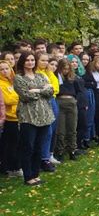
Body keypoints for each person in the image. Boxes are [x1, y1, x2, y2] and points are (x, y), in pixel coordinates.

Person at [14, 51, 56, 186]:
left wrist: (36, 90)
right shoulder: (19, 78)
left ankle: (36, 174)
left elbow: (51, 92)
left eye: (32, 60)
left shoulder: (40, 75)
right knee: (28, 147)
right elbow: (26, 96)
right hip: (28, 117)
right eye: (27, 60)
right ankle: (28, 176)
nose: (30, 62)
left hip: (44, 116)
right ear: (22, 62)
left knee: (39, 146)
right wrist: (42, 90)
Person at [55, 59, 82, 160]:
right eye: (64, 69)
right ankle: (60, 150)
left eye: (67, 69)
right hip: (60, 101)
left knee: (72, 128)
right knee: (60, 129)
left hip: (71, 102)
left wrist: (76, 100)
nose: (65, 71)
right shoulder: (57, 77)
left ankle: (72, 149)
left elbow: (79, 91)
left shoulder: (73, 78)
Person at [0, 59, 21, 177]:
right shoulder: (1, 83)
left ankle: (16, 166)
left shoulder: (13, 81)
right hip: (9, 118)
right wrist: (19, 97)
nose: (4, 71)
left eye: (7, 68)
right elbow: (7, 100)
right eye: (1, 69)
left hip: (18, 116)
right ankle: (10, 168)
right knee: (10, 144)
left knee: (17, 143)